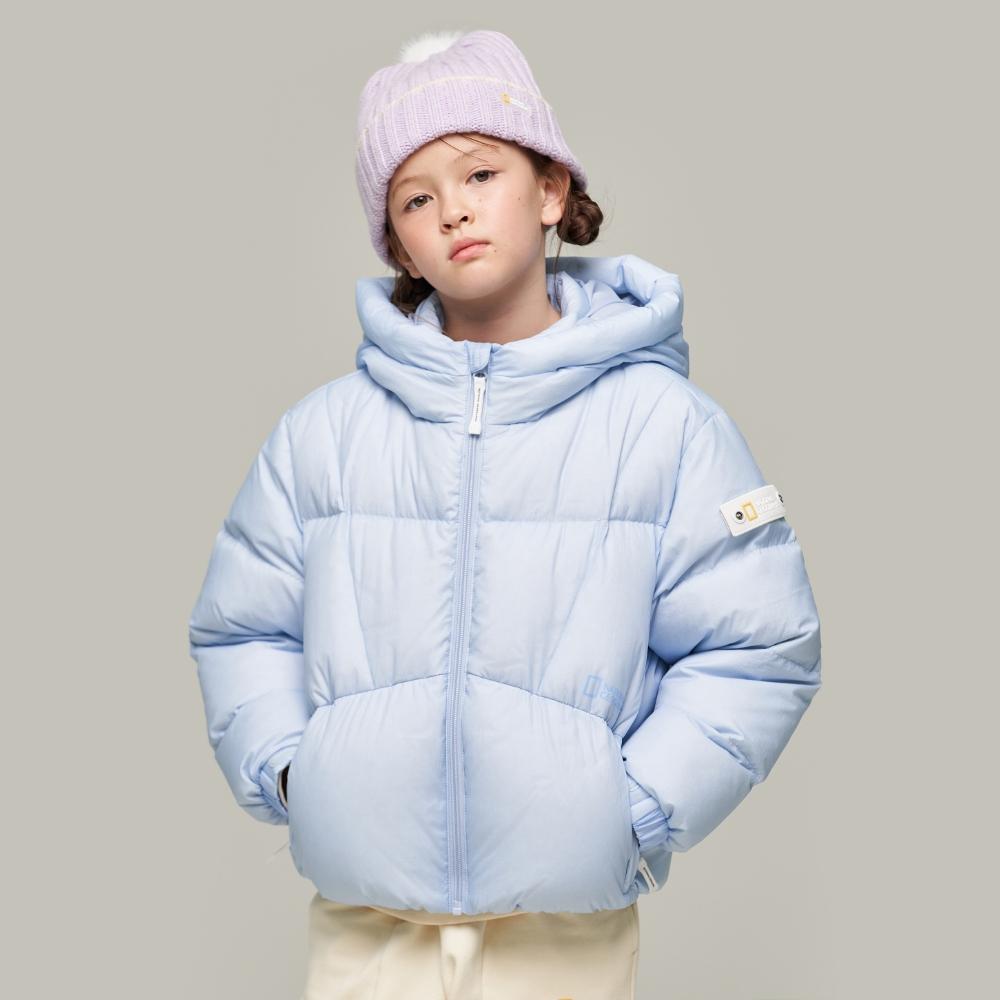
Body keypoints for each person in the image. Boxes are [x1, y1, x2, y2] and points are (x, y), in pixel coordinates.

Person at [188, 27, 823, 1000]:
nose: (452, 210)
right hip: (366, 924)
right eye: (415, 198)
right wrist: (289, 774)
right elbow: (242, 629)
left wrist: (634, 811)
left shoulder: (667, 429)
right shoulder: (323, 435)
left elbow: (760, 643)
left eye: (480, 173)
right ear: (396, 240)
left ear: (551, 190)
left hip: (564, 929)